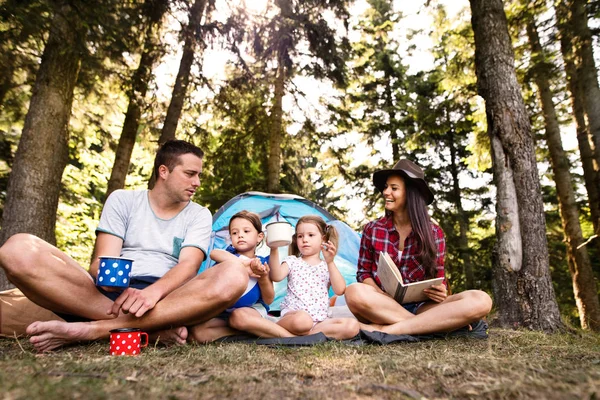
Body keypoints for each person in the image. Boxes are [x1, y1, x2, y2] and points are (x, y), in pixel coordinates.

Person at [0, 140, 248, 352]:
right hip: (110, 297)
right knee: (17, 248)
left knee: (235, 272)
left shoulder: (199, 214)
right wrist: (106, 278)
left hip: (169, 299)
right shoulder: (123, 200)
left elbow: (189, 265)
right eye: (190, 174)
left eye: (199, 175)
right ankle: (151, 332)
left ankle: (90, 330)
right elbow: (101, 261)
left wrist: (151, 293)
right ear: (164, 171)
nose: (197, 182)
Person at [344, 159, 492, 336]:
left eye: (394, 188)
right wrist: (381, 295)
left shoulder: (434, 233)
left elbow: (438, 278)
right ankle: (433, 328)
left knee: (481, 300)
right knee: (353, 291)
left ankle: (385, 330)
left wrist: (440, 291)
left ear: (410, 193)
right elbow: (364, 273)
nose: (385, 192)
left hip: (423, 307)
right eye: (385, 187)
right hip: (383, 306)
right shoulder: (373, 229)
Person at [189, 210, 294, 342]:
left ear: (259, 237)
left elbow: (268, 299)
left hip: (251, 310)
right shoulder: (229, 255)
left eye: (246, 231)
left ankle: (290, 338)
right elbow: (214, 253)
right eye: (234, 232)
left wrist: (262, 277)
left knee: (239, 317)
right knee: (198, 333)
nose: (240, 235)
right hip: (225, 312)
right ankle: (249, 333)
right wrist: (245, 263)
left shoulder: (263, 263)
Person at [268, 215, 360, 340]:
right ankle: (276, 327)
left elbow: (340, 290)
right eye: (300, 236)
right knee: (303, 321)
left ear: (323, 239)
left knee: (352, 326)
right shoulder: (292, 261)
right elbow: (276, 276)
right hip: (295, 317)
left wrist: (330, 262)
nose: (305, 239)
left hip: (320, 321)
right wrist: (273, 249)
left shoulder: (327, 265)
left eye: (311, 235)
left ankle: (308, 335)